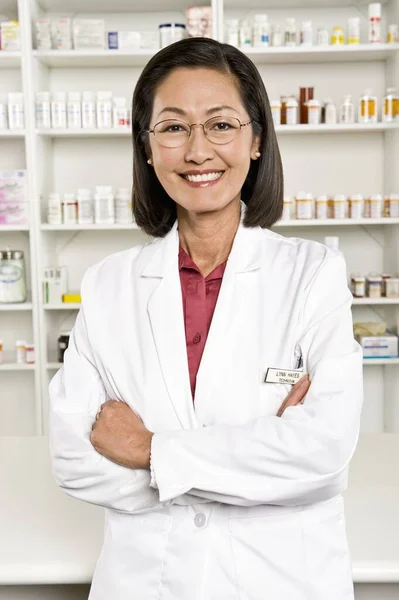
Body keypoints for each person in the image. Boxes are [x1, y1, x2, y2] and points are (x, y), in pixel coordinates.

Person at [49, 37, 364, 600]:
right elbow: (76, 458)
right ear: (147, 148)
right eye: (172, 127)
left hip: (283, 581)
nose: (198, 151)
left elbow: (323, 454)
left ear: (257, 139)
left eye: (220, 125)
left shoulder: (313, 273)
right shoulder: (106, 285)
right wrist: (258, 466)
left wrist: (150, 450)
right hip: (147, 583)